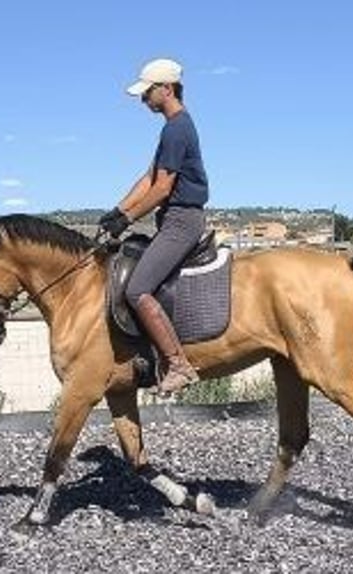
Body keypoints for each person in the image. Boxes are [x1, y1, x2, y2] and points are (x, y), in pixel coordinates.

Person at [98, 57, 209, 394]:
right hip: (172, 219)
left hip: (182, 220)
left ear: (167, 88)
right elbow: (148, 179)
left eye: (148, 92)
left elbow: (162, 188)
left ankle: (178, 364)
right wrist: (117, 210)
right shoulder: (172, 128)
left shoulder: (177, 128)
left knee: (136, 289)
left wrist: (128, 220)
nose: (144, 99)